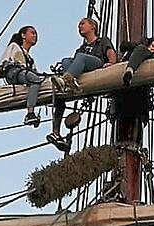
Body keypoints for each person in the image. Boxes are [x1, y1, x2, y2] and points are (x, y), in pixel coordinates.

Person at [47, 17, 118, 152]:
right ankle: (68, 82)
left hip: (97, 64)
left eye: (82, 24)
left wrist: (112, 63)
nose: (79, 27)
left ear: (93, 27)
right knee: (66, 61)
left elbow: (110, 52)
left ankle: (66, 80)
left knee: (79, 58)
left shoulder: (102, 41)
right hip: (83, 69)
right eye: (79, 25)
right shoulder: (81, 48)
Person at [0, 26, 44, 128]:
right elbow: (2, 65)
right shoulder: (14, 47)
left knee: (37, 79)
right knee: (34, 79)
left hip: (25, 76)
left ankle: (33, 114)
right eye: (32, 33)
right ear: (23, 35)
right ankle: (30, 113)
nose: (35, 36)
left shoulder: (30, 59)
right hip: (14, 73)